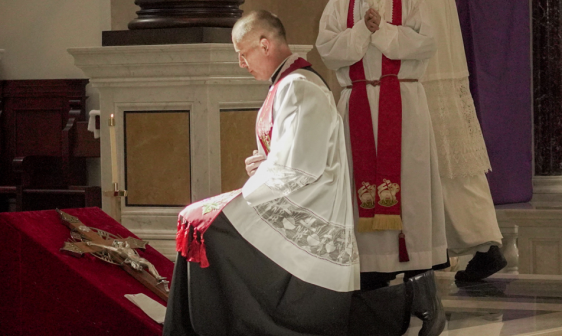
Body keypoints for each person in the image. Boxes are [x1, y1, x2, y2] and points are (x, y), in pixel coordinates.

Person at [164, 9, 444, 336]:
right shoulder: (286, 85)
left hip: (312, 212)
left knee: (206, 229)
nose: (242, 63)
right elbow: (291, 158)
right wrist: (263, 166)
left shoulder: (299, 88)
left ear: (265, 44)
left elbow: (299, 171)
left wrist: (254, 181)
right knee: (199, 222)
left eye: (243, 54)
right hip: (303, 202)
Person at [316, 0, 447, 334]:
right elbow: (328, 49)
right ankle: (375, 307)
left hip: (403, 106)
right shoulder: (339, 4)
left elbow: (429, 41)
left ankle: (425, 302)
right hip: (356, 103)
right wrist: (363, 30)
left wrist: (383, 30)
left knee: (411, 199)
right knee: (357, 200)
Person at [421, 0, 506, 282]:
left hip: (425, 67)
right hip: (427, 62)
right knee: (444, 159)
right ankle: (447, 247)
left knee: (449, 158)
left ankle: (481, 244)